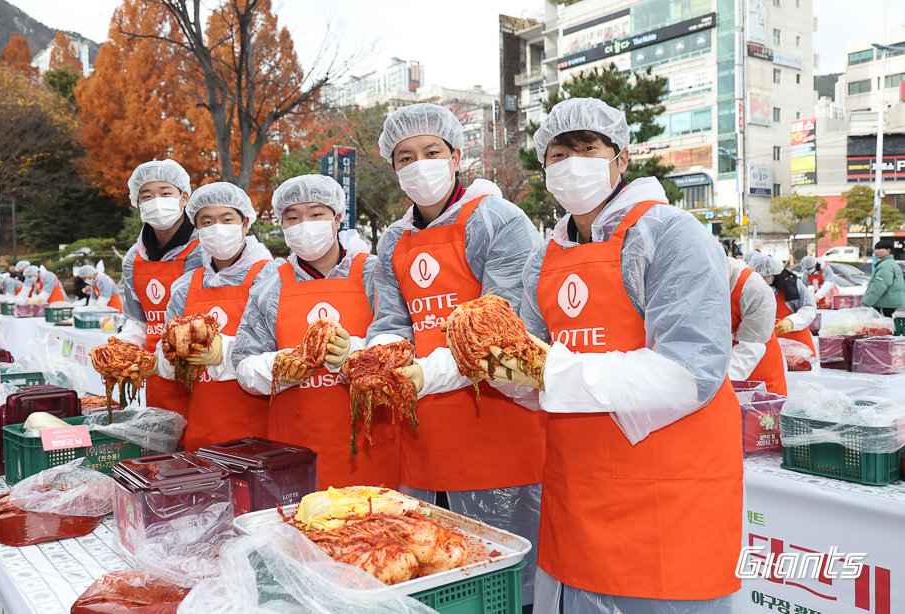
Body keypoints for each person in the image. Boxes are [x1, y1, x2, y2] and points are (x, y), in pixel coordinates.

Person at [480, 97, 742, 613]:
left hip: (666, 495)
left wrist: (549, 369)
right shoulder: (544, 257)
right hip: (577, 489)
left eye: (587, 148)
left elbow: (689, 373)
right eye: (558, 154)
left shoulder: (670, 234)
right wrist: (501, 369)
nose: (572, 163)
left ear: (620, 158)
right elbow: (532, 370)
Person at [363, 103, 545, 604]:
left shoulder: (499, 221)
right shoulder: (394, 241)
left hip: (497, 428)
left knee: (504, 582)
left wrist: (424, 371)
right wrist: (380, 358)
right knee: (437, 572)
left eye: (431, 152)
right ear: (394, 168)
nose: (418, 165)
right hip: (423, 432)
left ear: (457, 156)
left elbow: (501, 329)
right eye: (405, 157)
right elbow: (392, 321)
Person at [232, 174, 396, 488]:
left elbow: (400, 340)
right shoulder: (270, 286)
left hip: (370, 445)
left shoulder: (374, 272)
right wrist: (282, 367)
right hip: (294, 451)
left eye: (315, 213)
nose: (304, 224)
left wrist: (353, 355)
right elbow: (244, 365)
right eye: (292, 217)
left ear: (337, 218)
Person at [155, 182, 276, 451]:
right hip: (202, 427)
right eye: (206, 222)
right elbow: (165, 354)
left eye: (227, 219)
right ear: (197, 230)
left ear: (245, 223)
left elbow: (283, 352)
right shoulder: (186, 286)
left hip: (259, 432)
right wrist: (167, 355)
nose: (217, 228)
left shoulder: (270, 278)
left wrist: (227, 351)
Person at [116, 159, 203, 416]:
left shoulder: (206, 249)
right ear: (137, 203)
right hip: (155, 373)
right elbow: (138, 320)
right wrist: (124, 344)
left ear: (184, 197)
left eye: (165, 193)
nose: (156, 201)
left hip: (203, 370)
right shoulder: (134, 258)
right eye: (147, 195)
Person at [729, 257, 787, 394]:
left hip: (761, 371)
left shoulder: (753, 288)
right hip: (729, 366)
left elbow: (751, 346)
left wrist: (719, 383)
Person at [752, 254, 817, 355]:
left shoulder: (791, 284)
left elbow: (809, 308)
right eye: (759, 276)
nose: (762, 278)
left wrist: (791, 322)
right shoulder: (752, 288)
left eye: (766, 275)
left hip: (799, 348)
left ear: (774, 273)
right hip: (769, 349)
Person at [863, 239, 905, 317]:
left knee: (883, 324)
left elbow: (879, 286)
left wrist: (867, 302)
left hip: (886, 303)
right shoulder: (890, 263)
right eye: (875, 249)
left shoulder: (886, 265)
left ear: (888, 251)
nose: (876, 251)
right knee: (887, 324)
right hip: (890, 302)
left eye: (879, 249)